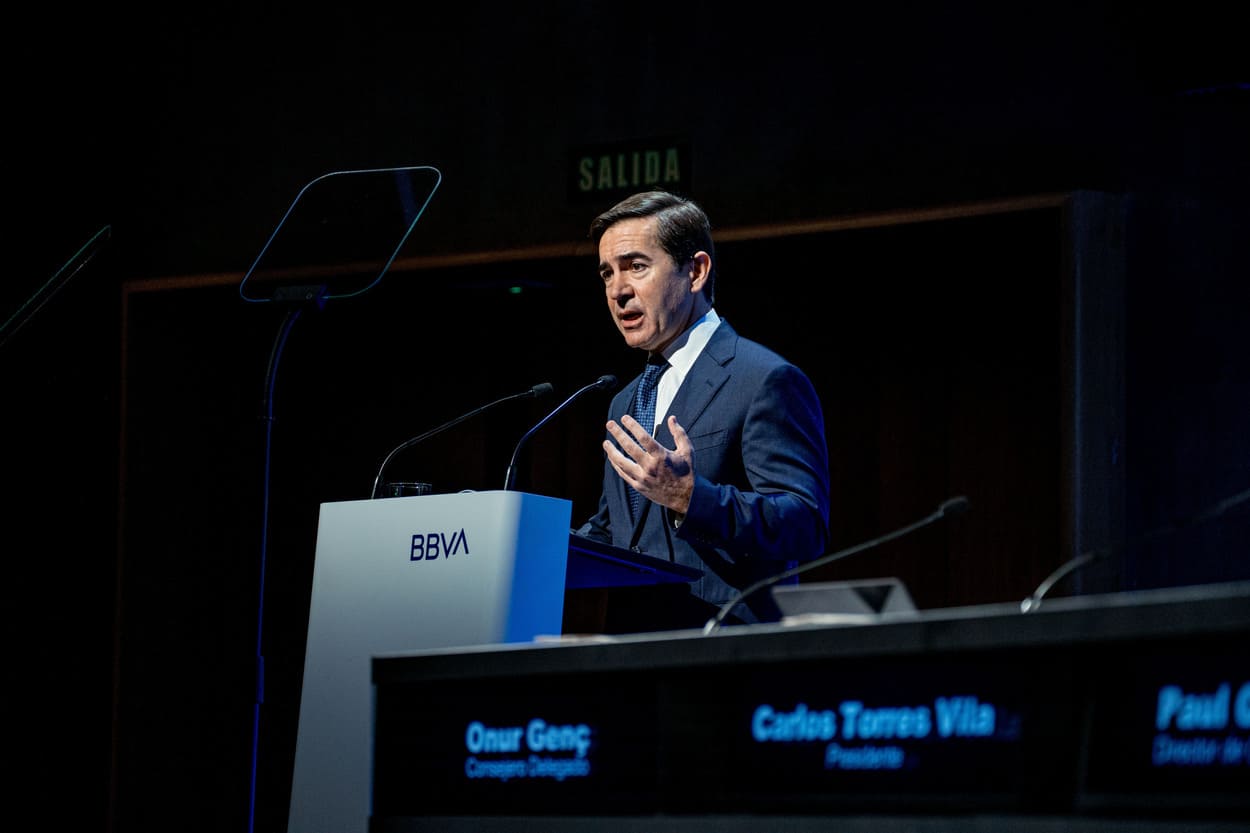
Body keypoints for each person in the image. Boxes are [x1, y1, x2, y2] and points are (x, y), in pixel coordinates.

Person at [575, 189, 831, 631]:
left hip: (725, 653)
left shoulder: (763, 379)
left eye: (636, 266)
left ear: (695, 271)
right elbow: (614, 530)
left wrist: (692, 498)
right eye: (606, 273)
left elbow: (804, 523)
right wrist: (519, 542)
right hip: (632, 656)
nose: (617, 290)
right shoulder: (626, 399)